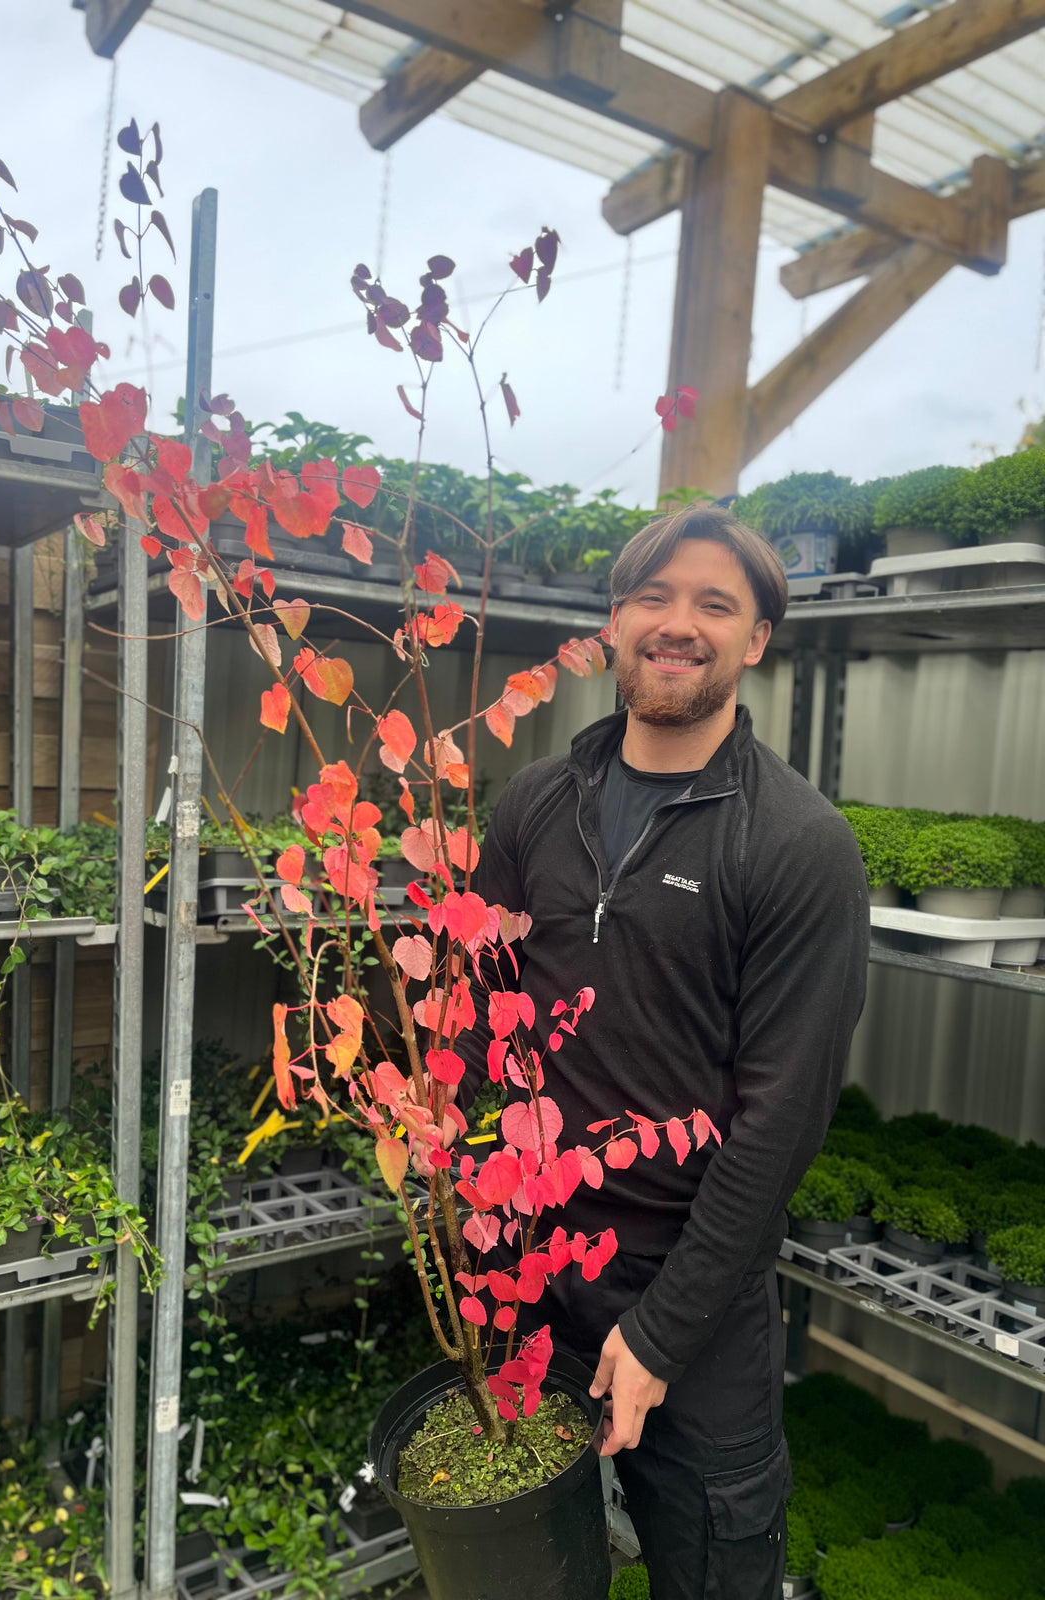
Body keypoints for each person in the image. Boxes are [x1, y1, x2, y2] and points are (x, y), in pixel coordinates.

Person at [455, 503, 870, 1600]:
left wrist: (659, 1333)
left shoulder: (797, 845)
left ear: (756, 639)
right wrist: (481, 1229)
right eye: (655, 596)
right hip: (532, 1274)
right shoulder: (540, 802)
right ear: (615, 618)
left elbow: (780, 1121)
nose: (678, 624)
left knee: (710, 1568)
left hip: (693, 1299)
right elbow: (477, 1026)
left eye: (714, 605)